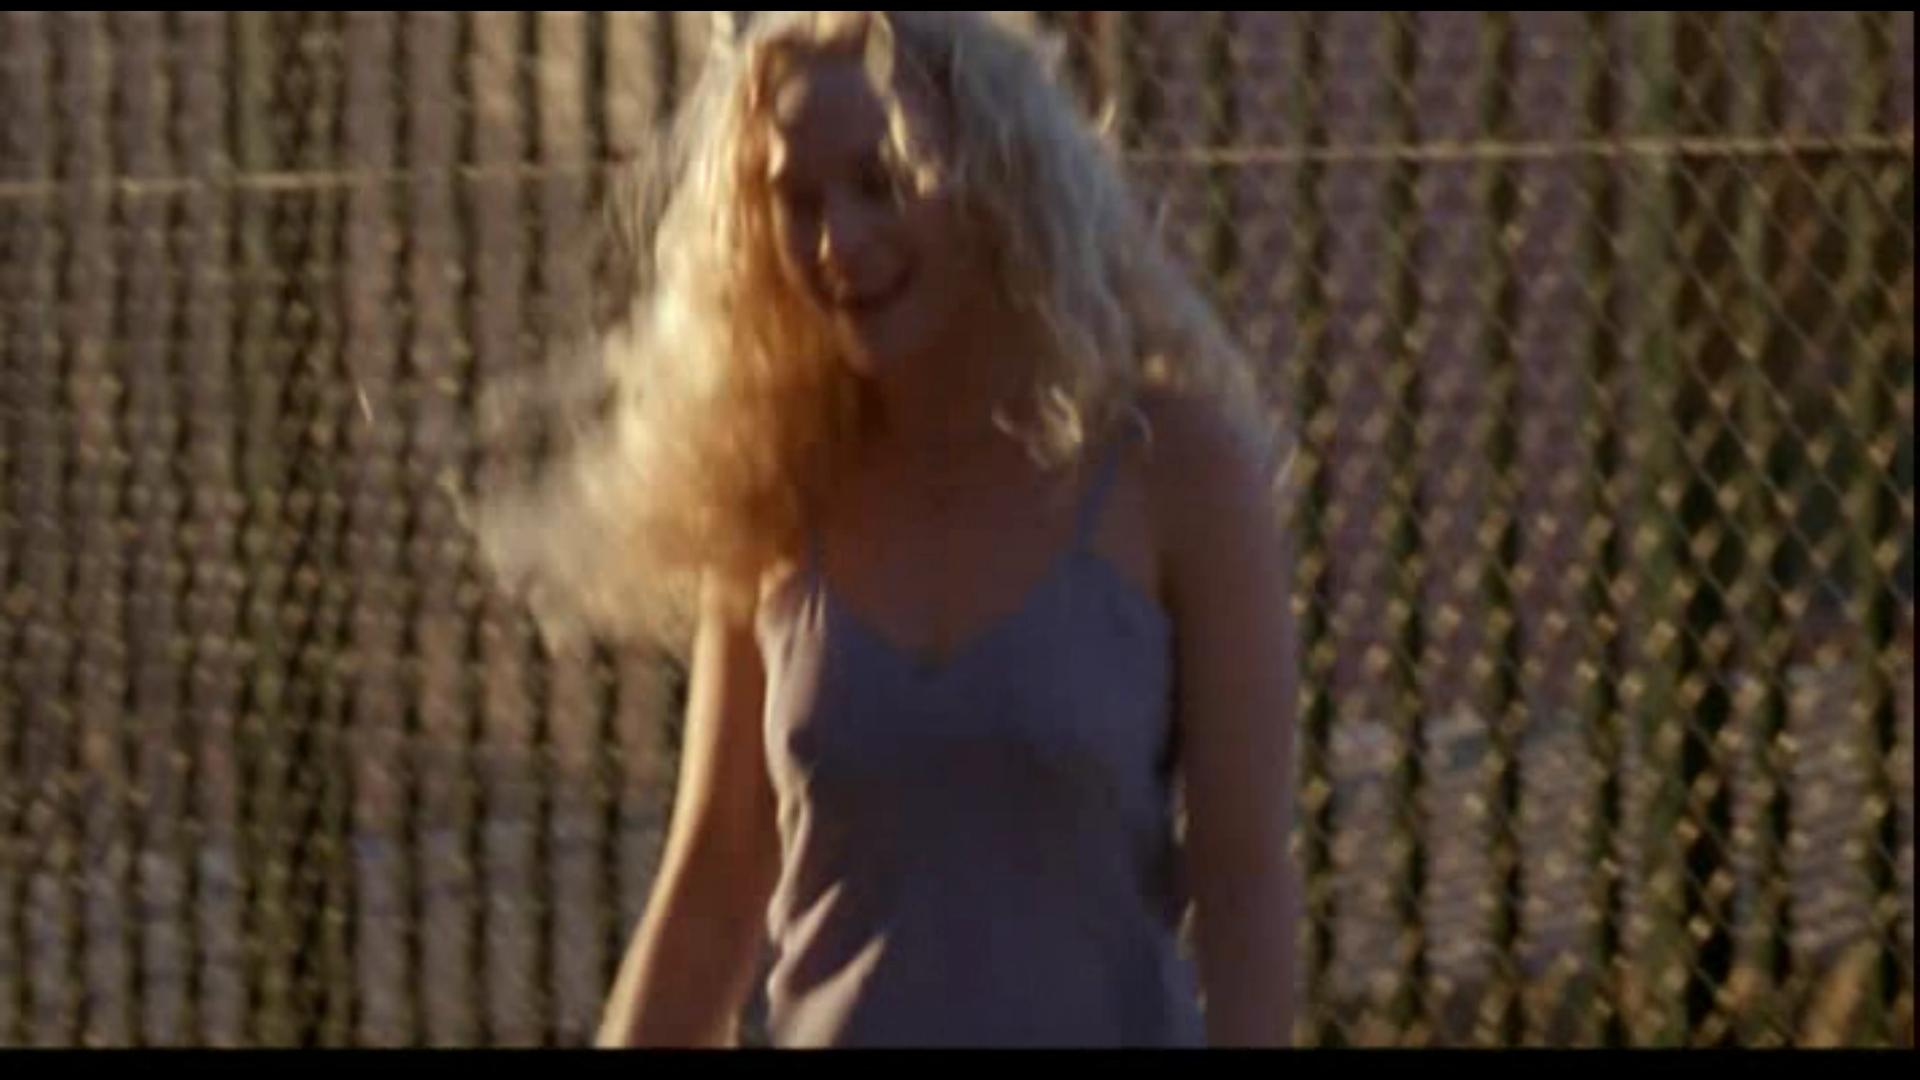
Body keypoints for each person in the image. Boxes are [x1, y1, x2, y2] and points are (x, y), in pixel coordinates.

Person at [479, 10, 1301, 1050]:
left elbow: (1243, 879)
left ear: (995, 179)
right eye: (798, 201)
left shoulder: (1177, 471)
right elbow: (715, 883)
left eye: (880, 183)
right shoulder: (778, 491)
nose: (838, 242)